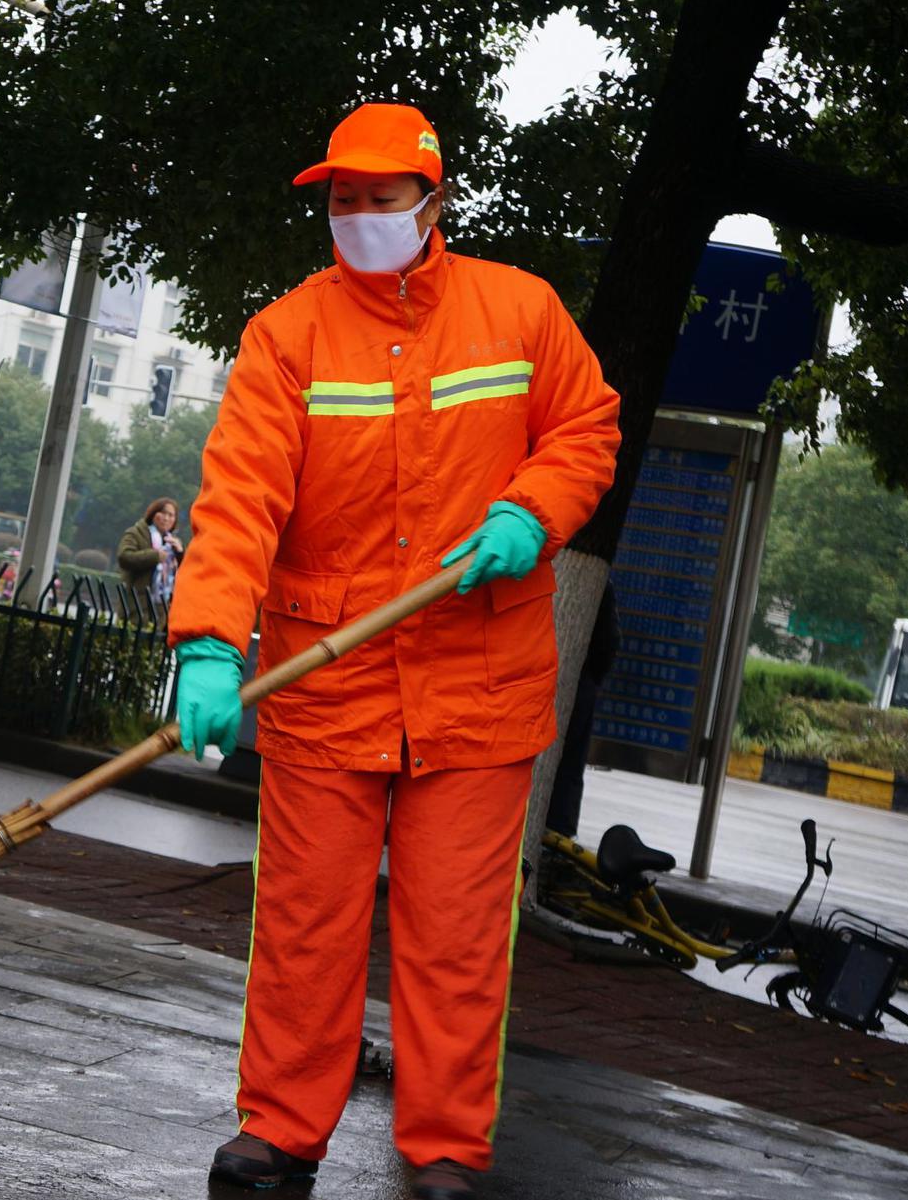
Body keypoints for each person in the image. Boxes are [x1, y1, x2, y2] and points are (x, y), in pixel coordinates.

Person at [170, 103, 621, 1198]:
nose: (358, 216)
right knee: (304, 926)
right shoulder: (287, 335)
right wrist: (206, 641)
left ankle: (441, 1150)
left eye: (380, 197)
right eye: (341, 199)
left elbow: (585, 426)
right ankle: (278, 1129)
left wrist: (531, 511)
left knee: (456, 938)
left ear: (433, 204)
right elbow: (239, 502)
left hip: (475, 683)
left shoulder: (518, 311)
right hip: (327, 682)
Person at [543, 580, 619, 840]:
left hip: (568, 686)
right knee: (568, 767)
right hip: (581, 685)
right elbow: (608, 645)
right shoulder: (598, 583)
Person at [116, 497, 184, 611]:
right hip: (136, 605)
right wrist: (155, 556)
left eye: (171, 515)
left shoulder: (174, 544)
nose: (166, 518)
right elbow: (124, 557)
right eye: (163, 513)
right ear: (153, 513)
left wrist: (180, 553)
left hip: (163, 609)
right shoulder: (136, 533)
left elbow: (185, 573)